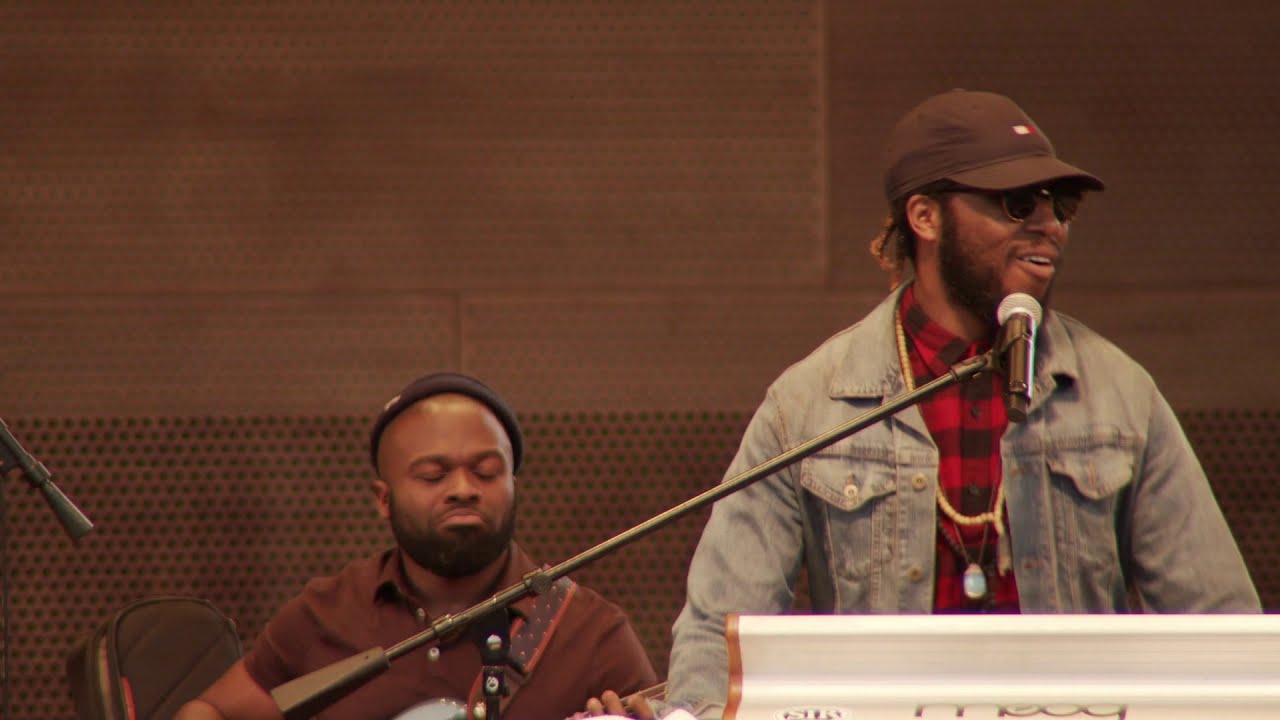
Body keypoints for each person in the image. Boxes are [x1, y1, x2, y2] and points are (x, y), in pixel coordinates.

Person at [651, 89, 1261, 718]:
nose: (1049, 225)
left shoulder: (1120, 396)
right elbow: (717, 632)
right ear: (925, 216)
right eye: (1017, 203)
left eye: (1061, 205)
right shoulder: (809, 405)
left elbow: (1220, 633)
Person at [176, 372, 658, 720]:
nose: (464, 488)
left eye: (486, 472)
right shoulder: (325, 613)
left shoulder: (591, 634)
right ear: (383, 500)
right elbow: (210, 709)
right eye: (433, 475)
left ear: (513, 485)